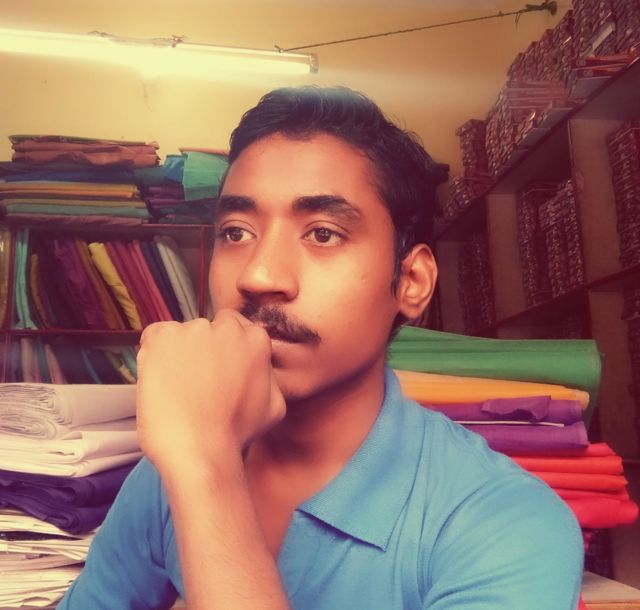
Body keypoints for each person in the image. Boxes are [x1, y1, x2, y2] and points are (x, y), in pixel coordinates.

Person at [57, 86, 583, 610]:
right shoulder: (176, 465)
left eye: (323, 234)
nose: (259, 276)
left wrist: (208, 474)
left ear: (411, 281)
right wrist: (200, 462)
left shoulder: (506, 523)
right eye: (236, 232)